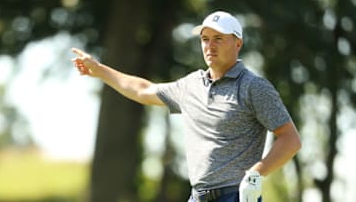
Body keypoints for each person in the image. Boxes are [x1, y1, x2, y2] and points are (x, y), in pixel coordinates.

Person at [71, 10, 301, 202]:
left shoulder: (254, 87)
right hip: (197, 196)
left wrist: (256, 174)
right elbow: (143, 89)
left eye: (218, 38)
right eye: (205, 39)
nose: (210, 45)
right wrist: (100, 70)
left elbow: (290, 138)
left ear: (237, 43)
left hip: (236, 195)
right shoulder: (191, 85)